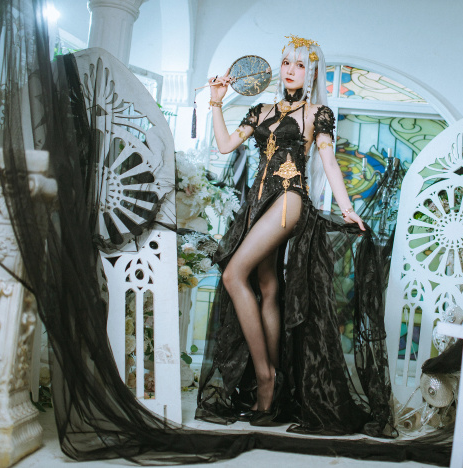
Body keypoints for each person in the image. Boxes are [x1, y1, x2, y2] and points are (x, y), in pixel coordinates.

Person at [196, 35, 394, 437]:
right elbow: (225, 145)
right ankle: (276, 380)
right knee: (268, 286)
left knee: (234, 275)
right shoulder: (261, 109)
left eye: (300, 65)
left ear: (313, 73)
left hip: (288, 200)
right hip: (257, 204)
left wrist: (347, 208)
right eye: (286, 62)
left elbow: (329, 163)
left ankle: (266, 378)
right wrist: (216, 102)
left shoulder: (317, 113)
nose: (290, 70)